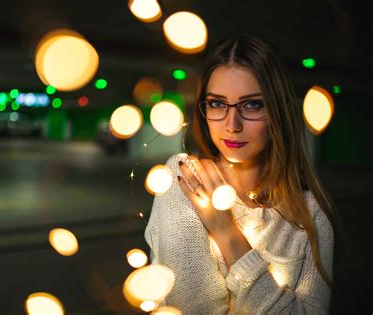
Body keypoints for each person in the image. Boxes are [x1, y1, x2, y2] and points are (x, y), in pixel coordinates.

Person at [144, 33, 342, 314]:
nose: (231, 124)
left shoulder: (311, 216)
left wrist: (227, 233)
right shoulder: (187, 180)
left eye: (252, 104)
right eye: (217, 104)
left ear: (277, 110)